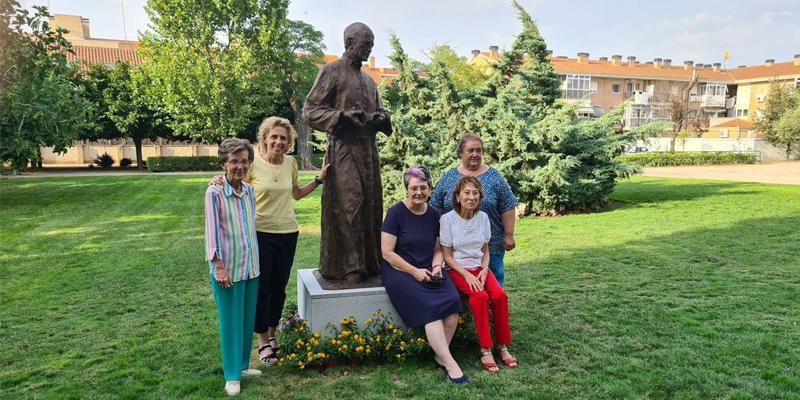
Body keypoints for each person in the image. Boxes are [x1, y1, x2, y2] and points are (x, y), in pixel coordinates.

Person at [210, 117, 328, 367]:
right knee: (262, 289)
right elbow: (235, 181)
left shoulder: (290, 163)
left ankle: (273, 335)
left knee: (279, 288)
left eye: (283, 138)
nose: (279, 141)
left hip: (288, 232)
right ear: (264, 138)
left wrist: (318, 180)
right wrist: (218, 180)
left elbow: (296, 194)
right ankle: (262, 340)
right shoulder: (253, 164)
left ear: (289, 142)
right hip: (260, 233)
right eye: (274, 136)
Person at [303, 22, 392, 285]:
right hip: (344, 149)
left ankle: (370, 263)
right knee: (349, 205)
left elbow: (381, 109)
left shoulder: (368, 80)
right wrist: (341, 116)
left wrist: (381, 118)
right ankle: (350, 267)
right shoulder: (331, 72)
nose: (369, 49)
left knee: (371, 205)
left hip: (369, 151)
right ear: (349, 42)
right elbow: (310, 111)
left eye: (371, 45)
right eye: (365, 44)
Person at [380, 166, 468, 384]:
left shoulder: (435, 215)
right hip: (400, 270)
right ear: (407, 190)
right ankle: (450, 363)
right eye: (414, 188)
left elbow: (438, 249)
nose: (419, 192)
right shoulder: (395, 213)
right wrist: (415, 272)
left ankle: (440, 355)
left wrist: (437, 266)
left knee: (453, 304)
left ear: (429, 188)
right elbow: (387, 253)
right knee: (431, 310)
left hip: (430, 268)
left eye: (423, 187)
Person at [440, 176, 518, 373]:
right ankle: (485, 349)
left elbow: (485, 251)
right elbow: (447, 256)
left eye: (475, 193)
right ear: (457, 197)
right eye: (467, 193)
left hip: (480, 268)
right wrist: (467, 275)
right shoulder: (447, 219)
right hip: (458, 270)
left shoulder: (483, 218)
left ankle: (502, 346)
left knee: (500, 296)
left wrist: (484, 269)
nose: (472, 197)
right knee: (480, 297)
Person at [204, 138, 262, 396]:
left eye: (244, 161)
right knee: (230, 322)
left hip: (251, 266)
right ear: (224, 164)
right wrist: (218, 265)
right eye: (234, 161)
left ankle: (242, 366)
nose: (240, 166)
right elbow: (212, 231)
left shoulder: (249, 191)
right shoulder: (214, 193)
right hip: (227, 269)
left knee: (247, 319)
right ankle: (231, 375)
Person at [429, 134, 518, 287]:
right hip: (456, 250)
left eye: (479, 150)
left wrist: (509, 235)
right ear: (460, 153)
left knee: (494, 286)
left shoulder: (495, 177)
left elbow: (508, 205)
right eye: (470, 150)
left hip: (490, 246)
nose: (475, 154)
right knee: (463, 288)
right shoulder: (449, 177)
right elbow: (435, 206)